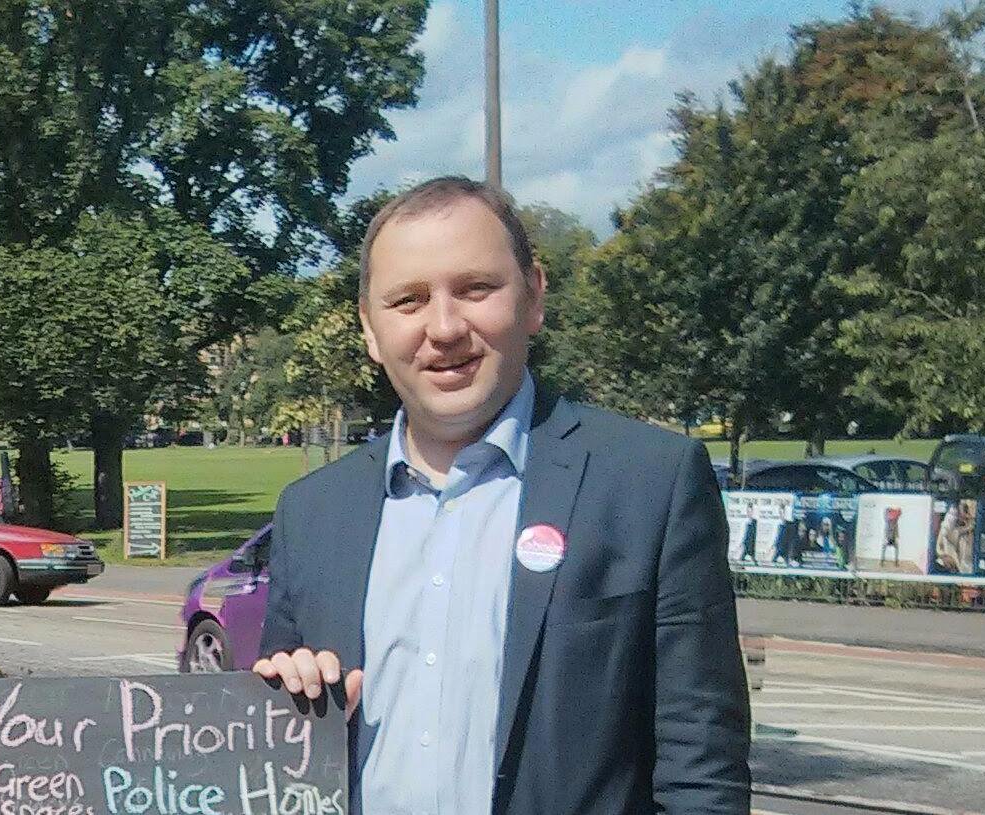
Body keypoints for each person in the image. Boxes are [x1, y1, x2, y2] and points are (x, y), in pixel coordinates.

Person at [251, 177, 749, 815]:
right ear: (371, 331)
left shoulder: (650, 482)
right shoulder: (311, 512)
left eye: (475, 289)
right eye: (407, 300)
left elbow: (700, 770)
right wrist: (286, 697)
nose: (444, 326)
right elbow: (276, 764)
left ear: (534, 296)